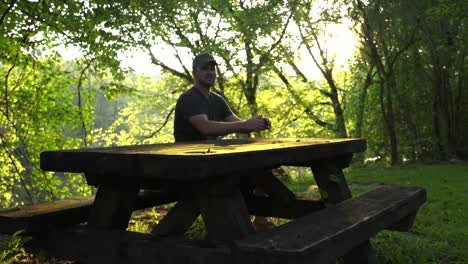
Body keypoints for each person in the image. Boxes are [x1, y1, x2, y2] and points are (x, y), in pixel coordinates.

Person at [173, 53, 274, 231]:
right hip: (188, 164)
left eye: (213, 69)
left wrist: (255, 124)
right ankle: (234, 233)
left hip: (211, 160)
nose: (210, 72)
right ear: (194, 72)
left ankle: (260, 222)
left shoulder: (217, 100)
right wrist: (244, 125)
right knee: (234, 182)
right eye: (205, 69)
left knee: (261, 169)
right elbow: (206, 127)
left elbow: (237, 123)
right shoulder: (189, 98)